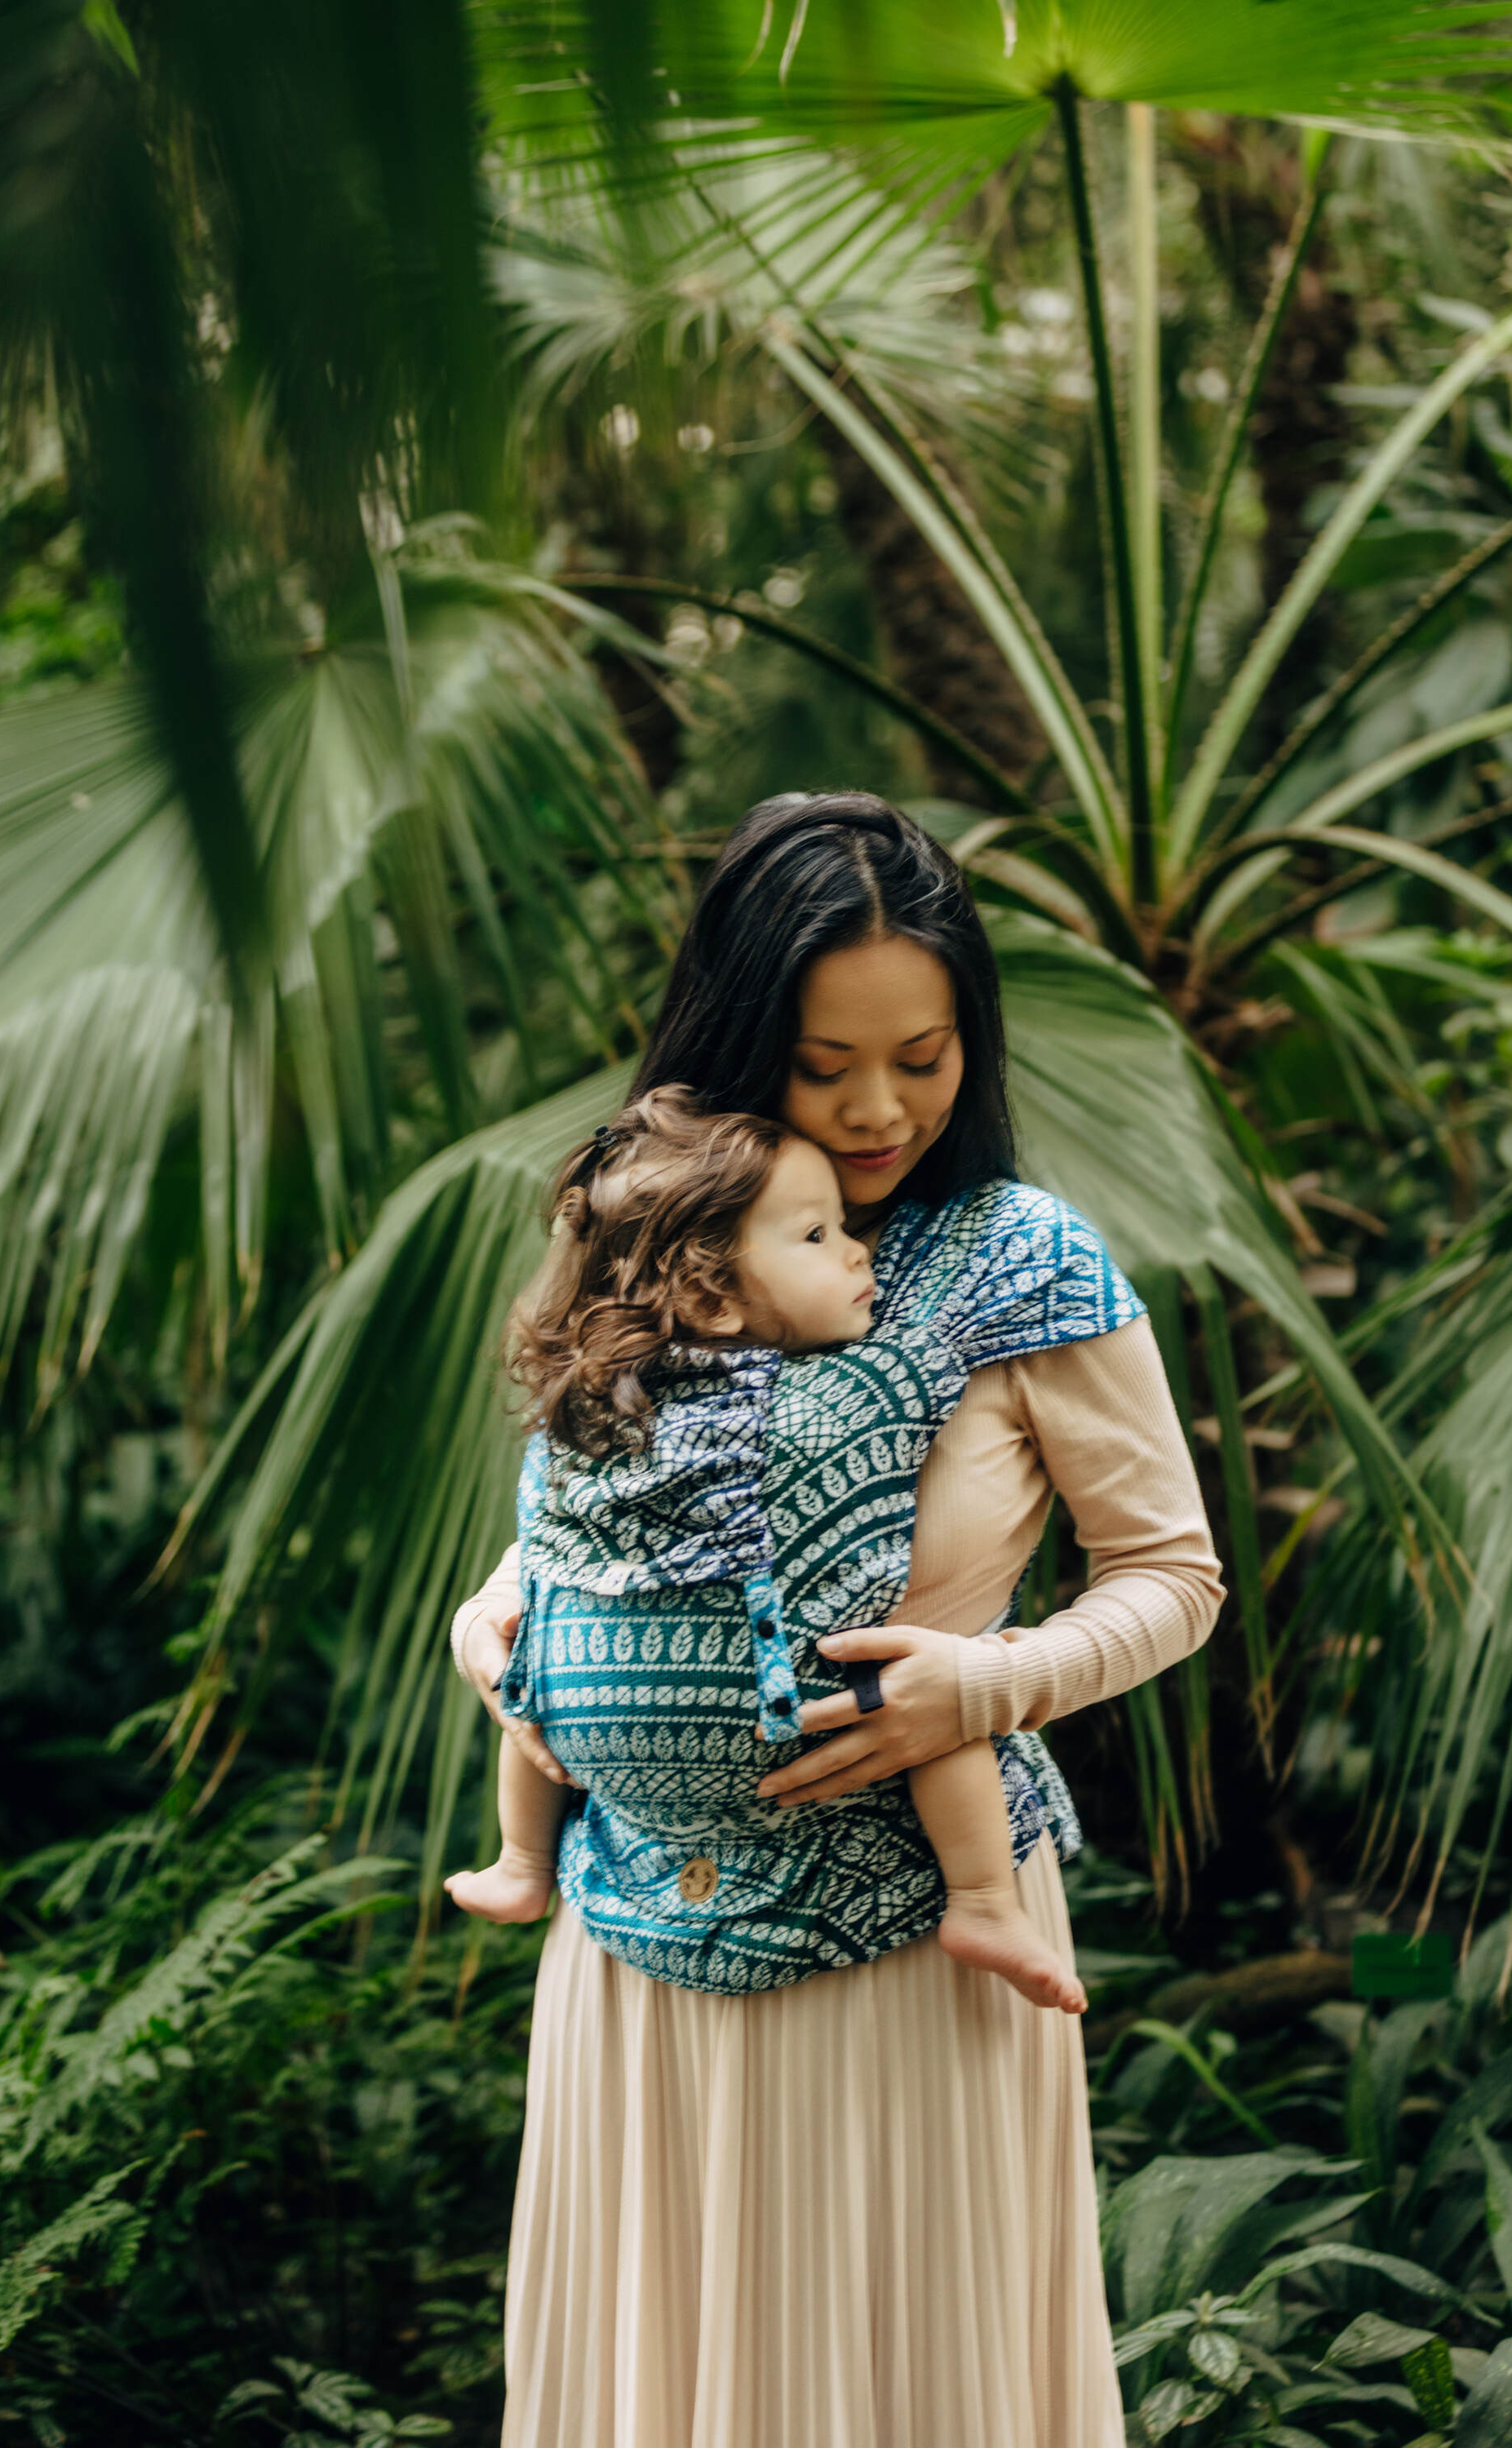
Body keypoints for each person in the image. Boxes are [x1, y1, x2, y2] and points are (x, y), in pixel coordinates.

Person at [450, 792, 1225, 2448]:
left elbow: (1174, 1577)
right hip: (636, 1943)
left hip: (921, 1950)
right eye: (824, 1068)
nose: (882, 1110)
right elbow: (569, 1527)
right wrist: (498, 1631)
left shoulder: (1022, 1262)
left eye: (925, 1057)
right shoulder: (647, 1226)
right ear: (740, 1038)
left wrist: (989, 1681)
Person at [445, 1084, 1088, 2014]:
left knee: (934, 1700)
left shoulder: (612, 1400)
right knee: (533, 1673)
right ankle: (520, 1860)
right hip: (631, 1848)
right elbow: (547, 1544)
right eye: (818, 1236)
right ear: (709, 1289)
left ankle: (983, 1902)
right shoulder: (622, 1399)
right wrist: (492, 1621)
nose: (856, 1248)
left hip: (842, 1722)